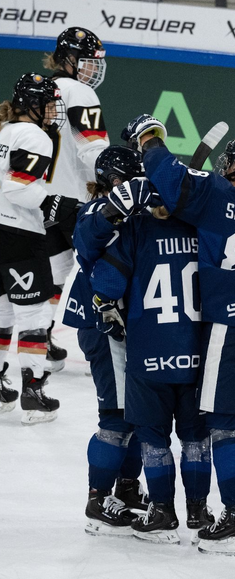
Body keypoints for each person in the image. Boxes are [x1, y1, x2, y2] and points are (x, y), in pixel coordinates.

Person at [125, 114, 235, 556]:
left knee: (225, 427)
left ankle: (234, 520)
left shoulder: (215, 195)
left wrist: (150, 137)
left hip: (231, 330)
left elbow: (167, 175)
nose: (223, 167)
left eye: (228, 162)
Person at [90, 168, 212, 545]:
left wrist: (105, 305)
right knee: (196, 438)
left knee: (153, 439)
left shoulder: (136, 229)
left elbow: (107, 284)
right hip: (197, 353)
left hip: (150, 354)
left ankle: (161, 510)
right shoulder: (204, 228)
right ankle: (198, 509)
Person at [64, 146, 149, 536]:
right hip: (101, 328)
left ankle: (128, 489)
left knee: (135, 415)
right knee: (115, 417)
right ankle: (97, 500)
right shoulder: (94, 212)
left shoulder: (129, 212)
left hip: (124, 325)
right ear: (117, 182)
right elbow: (90, 237)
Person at [0, 73, 74, 424]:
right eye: (46, 103)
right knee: (33, 315)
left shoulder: (5, 132)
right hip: (19, 235)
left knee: (1, 312)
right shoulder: (34, 135)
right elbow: (19, 189)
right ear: (30, 104)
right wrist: (59, 204)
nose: (50, 111)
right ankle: (33, 390)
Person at [41, 27, 111, 371]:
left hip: (39, 199)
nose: (92, 70)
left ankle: (38, 339)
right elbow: (93, 149)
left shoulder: (39, 88)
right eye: (86, 62)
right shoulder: (81, 92)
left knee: (56, 270)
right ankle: (114, 340)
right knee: (106, 268)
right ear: (68, 59)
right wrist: (117, 175)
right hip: (76, 203)